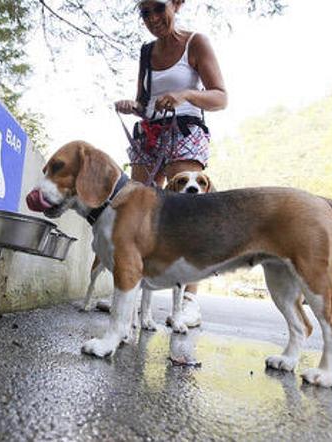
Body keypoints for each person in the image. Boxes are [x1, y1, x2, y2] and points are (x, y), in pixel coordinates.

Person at [113, 0, 227, 327]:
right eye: (144, 12)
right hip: (150, 134)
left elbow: (221, 96)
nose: (152, 18)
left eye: (158, 8)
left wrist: (186, 95)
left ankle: (189, 301)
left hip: (185, 130)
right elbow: (145, 102)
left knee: (189, 216)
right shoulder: (146, 52)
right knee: (133, 211)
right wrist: (132, 105)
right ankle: (129, 289)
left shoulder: (196, 43)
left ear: (176, 4)